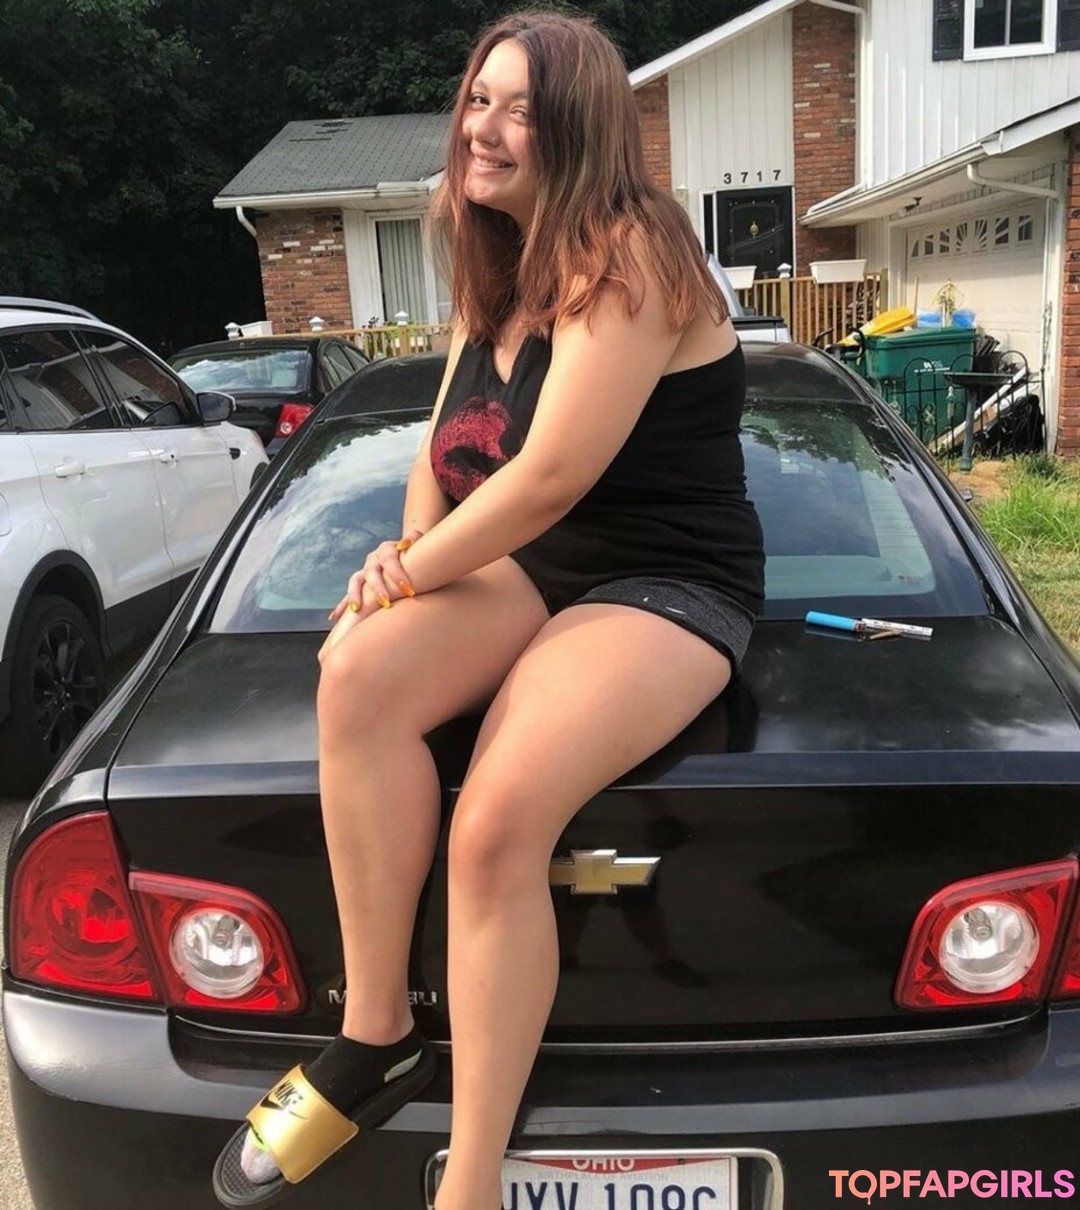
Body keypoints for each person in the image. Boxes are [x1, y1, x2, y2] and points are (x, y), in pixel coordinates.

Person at [212, 10, 764, 1209]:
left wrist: (411, 575)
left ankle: (468, 1180)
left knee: (497, 822)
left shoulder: (637, 250)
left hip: (661, 577)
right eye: (478, 100)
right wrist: (405, 551)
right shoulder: (494, 264)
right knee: (355, 674)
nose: (486, 128)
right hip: (528, 564)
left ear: (580, 132)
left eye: (522, 110)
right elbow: (450, 451)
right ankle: (374, 1035)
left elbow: (550, 474)